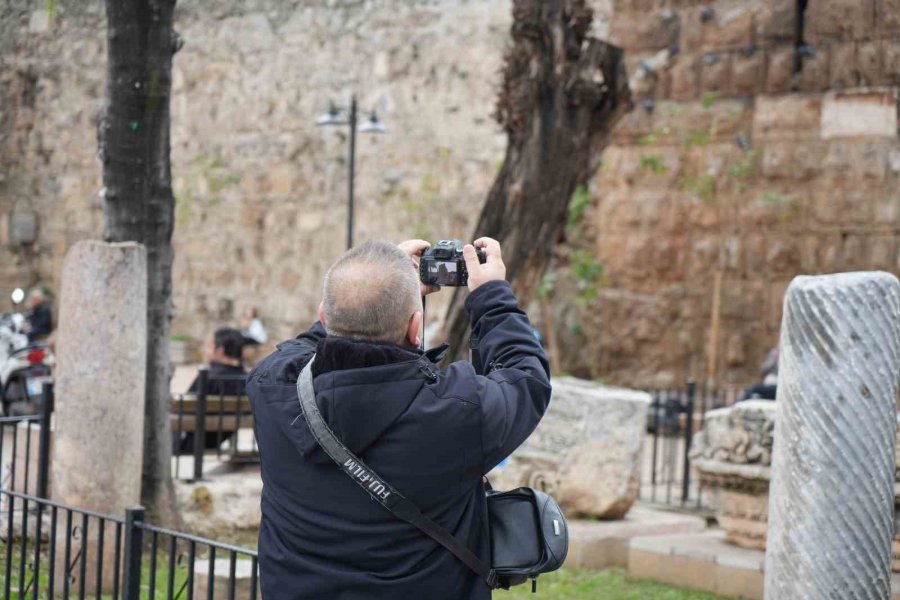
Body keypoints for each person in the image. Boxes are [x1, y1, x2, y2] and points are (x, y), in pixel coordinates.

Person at [247, 238, 551, 600]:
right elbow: (526, 378)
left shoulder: (271, 387)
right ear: (415, 328)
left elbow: (307, 344)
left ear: (325, 318)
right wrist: (491, 296)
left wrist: (378, 286)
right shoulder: (457, 412)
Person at [177, 327, 247, 455]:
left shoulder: (209, 377)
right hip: (219, 438)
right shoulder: (246, 380)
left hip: (191, 443)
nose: (205, 351)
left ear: (220, 351)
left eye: (209, 346)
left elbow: (183, 407)